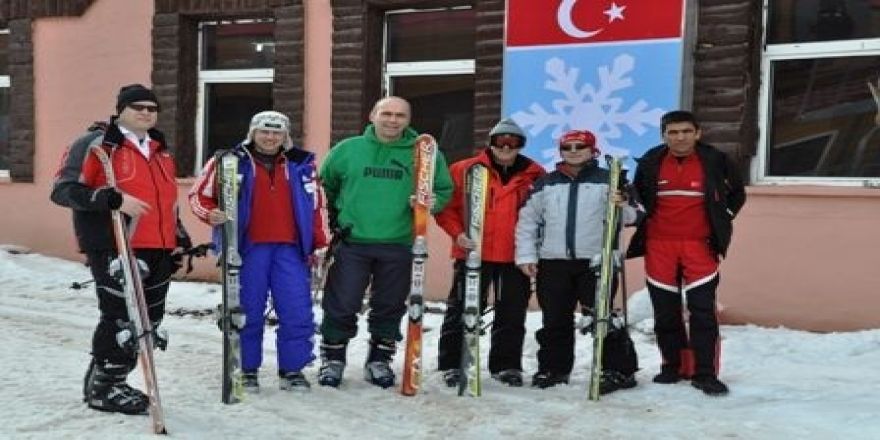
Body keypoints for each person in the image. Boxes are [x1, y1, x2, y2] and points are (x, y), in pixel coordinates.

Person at [51, 84, 191, 414]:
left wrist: (178, 236)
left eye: (151, 108)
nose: (146, 112)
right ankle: (106, 387)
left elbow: (166, 202)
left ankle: (107, 377)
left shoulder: (160, 151)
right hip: (115, 242)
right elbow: (62, 190)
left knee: (148, 320)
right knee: (121, 317)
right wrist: (109, 199)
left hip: (158, 245)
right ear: (121, 109)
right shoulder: (97, 144)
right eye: (137, 107)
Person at [317, 96, 453, 388]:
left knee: (389, 305)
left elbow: (443, 191)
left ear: (408, 120)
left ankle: (380, 358)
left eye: (400, 115)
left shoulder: (425, 154)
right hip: (353, 242)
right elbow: (323, 186)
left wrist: (432, 201)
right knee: (342, 302)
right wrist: (334, 222)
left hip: (401, 242)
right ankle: (333, 357)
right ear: (372, 116)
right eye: (386, 114)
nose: (393, 120)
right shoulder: (347, 150)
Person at [189, 111, 328, 392]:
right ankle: (246, 369)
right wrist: (210, 213)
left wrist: (319, 242)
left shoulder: (302, 164)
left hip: (290, 248)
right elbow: (198, 195)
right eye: (264, 131)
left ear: (286, 135)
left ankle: (293, 370)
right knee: (246, 310)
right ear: (253, 132)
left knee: (297, 311)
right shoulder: (229, 160)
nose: (270, 137)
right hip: (246, 248)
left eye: (277, 132)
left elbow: (316, 206)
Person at [626, 110, 746, 396]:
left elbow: (737, 193)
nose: (680, 137)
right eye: (673, 132)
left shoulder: (716, 160)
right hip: (659, 245)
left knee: (702, 312)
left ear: (697, 133)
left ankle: (705, 373)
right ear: (664, 135)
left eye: (686, 131)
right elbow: (638, 197)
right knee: (665, 312)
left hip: (698, 245)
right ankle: (672, 367)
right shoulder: (651, 161)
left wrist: (722, 216)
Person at [516, 129, 641, 393]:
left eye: (579, 146)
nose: (573, 151)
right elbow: (528, 222)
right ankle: (554, 369)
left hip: (597, 260)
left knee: (602, 317)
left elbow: (635, 216)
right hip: (553, 261)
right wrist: (526, 255)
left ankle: (617, 370)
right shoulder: (546, 183)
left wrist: (622, 204)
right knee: (555, 319)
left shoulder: (611, 180)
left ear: (592, 150)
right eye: (567, 147)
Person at [434, 118, 545, 388]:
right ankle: (452, 363)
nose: (506, 147)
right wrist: (457, 233)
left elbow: (545, 214)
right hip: (473, 252)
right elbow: (446, 208)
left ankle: (506, 365)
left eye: (513, 142)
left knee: (512, 312)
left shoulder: (535, 174)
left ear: (521, 145)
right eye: (500, 141)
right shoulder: (465, 169)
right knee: (461, 309)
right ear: (490, 143)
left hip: (515, 255)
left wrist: (535, 251)